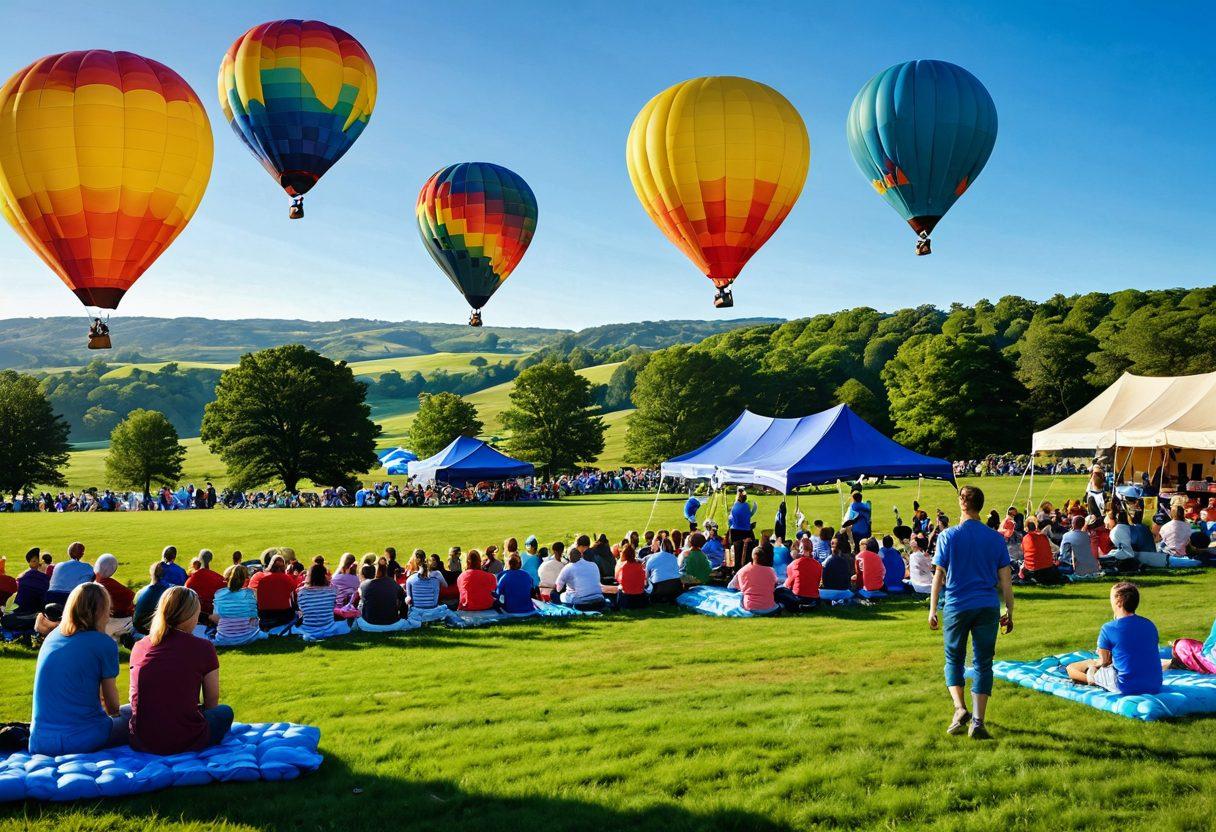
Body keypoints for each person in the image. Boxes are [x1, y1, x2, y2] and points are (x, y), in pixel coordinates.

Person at [929, 485, 1014, 740]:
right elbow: (1005, 581)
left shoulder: (948, 536)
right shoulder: (995, 538)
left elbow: (938, 577)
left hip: (957, 604)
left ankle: (959, 708)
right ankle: (978, 720)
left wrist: (933, 608)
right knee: (983, 662)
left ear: (962, 503)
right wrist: (1009, 609)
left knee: (953, 658)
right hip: (987, 604)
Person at [128, 586, 233, 754]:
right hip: (185, 739)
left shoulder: (140, 646)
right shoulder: (203, 647)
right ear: (190, 615)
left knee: (129, 710)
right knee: (224, 712)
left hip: (142, 739)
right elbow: (212, 702)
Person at [29, 583, 128, 755]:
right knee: (134, 715)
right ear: (102, 611)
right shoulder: (104, 644)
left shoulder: (53, 636)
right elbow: (113, 707)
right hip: (81, 739)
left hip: (39, 741)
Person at [1065, 583, 1162, 696]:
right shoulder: (1149, 624)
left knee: (1071, 668)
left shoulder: (1109, 628)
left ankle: (1092, 679)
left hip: (1126, 686)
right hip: (1154, 684)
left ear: (1118, 601)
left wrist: (1095, 666)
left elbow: (1104, 662)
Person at [212, 565, 266, 646]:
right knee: (264, 634)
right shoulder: (252, 593)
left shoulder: (219, 593)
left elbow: (216, 617)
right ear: (246, 579)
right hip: (251, 636)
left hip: (224, 638)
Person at [297, 561, 349, 639]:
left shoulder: (301, 592)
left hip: (308, 629)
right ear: (324, 576)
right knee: (344, 623)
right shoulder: (333, 591)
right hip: (328, 628)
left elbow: (301, 609)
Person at [248, 555, 298, 630]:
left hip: (265, 617)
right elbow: (294, 600)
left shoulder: (262, 580)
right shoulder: (288, 579)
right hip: (284, 617)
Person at [92, 554, 134, 640]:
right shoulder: (114, 586)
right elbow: (134, 600)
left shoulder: (92, 586)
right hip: (118, 622)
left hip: (101, 623)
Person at [727, 544, 779, 613]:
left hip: (750, 607)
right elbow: (775, 585)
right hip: (769, 608)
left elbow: (730, 587)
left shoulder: (742, 571)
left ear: (752, 556)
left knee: (741, 594)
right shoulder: (771, 571)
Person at [185, 550, 225, 624]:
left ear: (199, 560)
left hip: (197, 618)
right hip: (215, 619)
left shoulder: (190, 581)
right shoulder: (220, 579)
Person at [359, 559, 405, 624]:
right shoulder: (392, 583)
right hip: (392, 622)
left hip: (369, 623)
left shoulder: (364, 584)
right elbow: (403, 598)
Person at [777, 545, 821, 611]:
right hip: (814, 599)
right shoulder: (818, 565)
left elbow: (788, 585)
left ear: (800, 550)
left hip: (798, 598)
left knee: (778, 591)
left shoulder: (793, 564)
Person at [1020, 520, 1065, 584]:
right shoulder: (1043, 537)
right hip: (1048, 570)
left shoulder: (1025, 538)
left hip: (1033, 571)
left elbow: (1024, 552)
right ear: (1035, 528)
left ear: (1026, 529)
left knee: (1021, 565)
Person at [132, 562, 171, 635]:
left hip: (139, 627)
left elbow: (134, 606)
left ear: (150, 575)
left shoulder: (141, 591)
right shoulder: (168, 592)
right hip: (155, 629)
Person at [728, 488, 757, 572]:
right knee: (747, 552)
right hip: (746, 531)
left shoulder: (735, 506)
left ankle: (736, 570)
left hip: (735, 531)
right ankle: (746, 569)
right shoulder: (746, 506)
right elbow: (750, 514)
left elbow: (731, 520)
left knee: (737, 553)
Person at [614, 545, 649, 609]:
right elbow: (644, 581)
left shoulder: (622, 567)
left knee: (618, 589)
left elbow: (617, 579)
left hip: (627, 600)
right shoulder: (640, 567)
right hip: (640, 598)